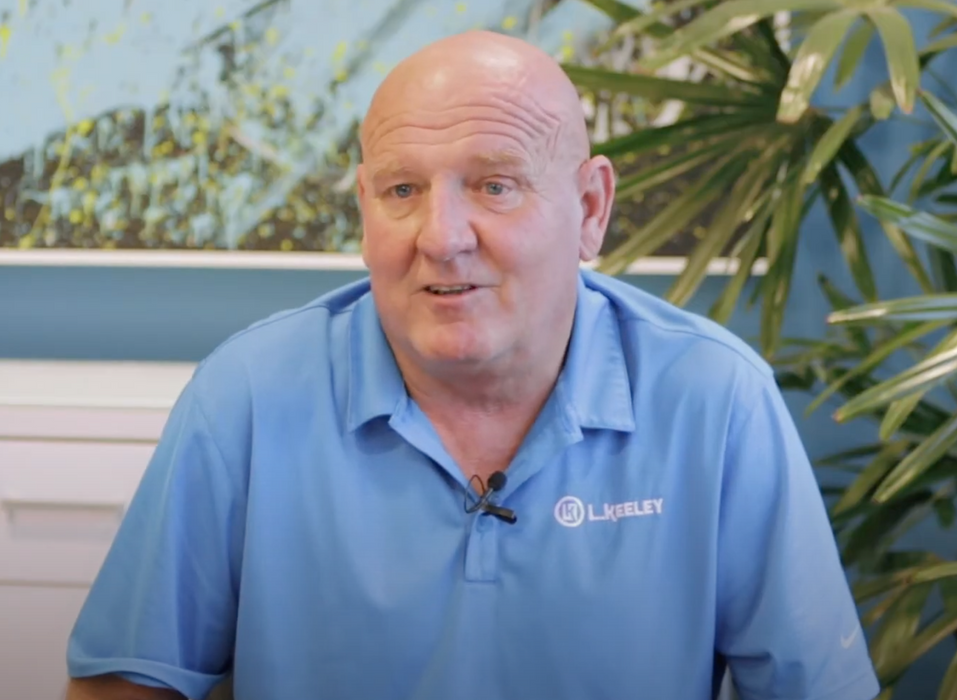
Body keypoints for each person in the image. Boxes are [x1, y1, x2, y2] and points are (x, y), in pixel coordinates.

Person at [64, 29, 881, 700]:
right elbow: (124, 686)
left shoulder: (714, 399)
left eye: (493, 186)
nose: (440, 236)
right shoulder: (245, 396)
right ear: (363, 208)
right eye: (401, 191)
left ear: (590, 208)